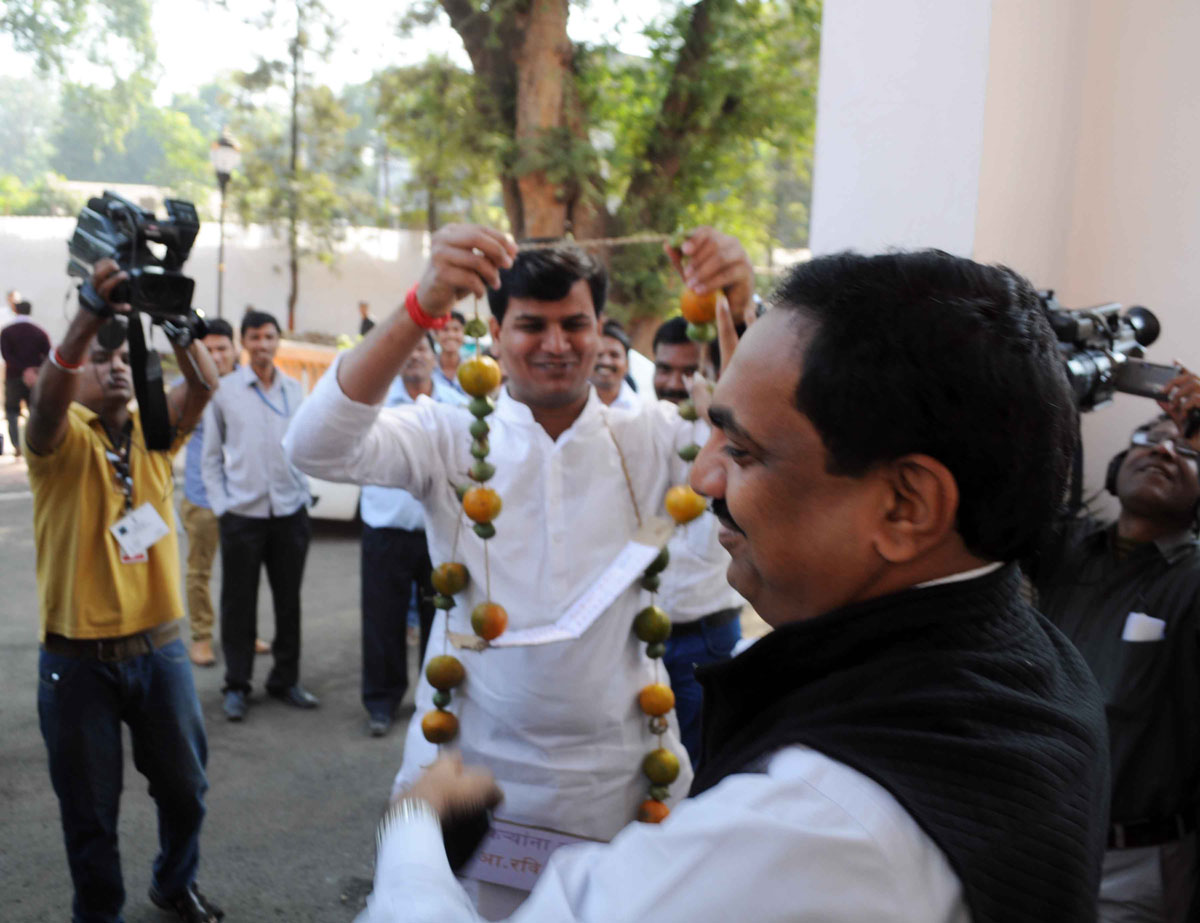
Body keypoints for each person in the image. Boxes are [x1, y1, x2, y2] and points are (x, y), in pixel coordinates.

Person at [354, 249, 1112, 923]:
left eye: (744, 451)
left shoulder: (806, 826)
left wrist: (416, 836)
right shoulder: (1036, 659)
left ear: (907, 503)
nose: (705, 477)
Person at [285, 223, 753, 916]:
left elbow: (754, 440)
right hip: (468, 774)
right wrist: (422, 303)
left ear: (600, 332)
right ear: (495, 333)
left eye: (576, 323)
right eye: (532, 324)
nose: (557, 344)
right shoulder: (445, 435)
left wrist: (739, 308)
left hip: (617, 779)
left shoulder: (653, 434)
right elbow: (314, 445)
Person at [25, 259, 223, 923]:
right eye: (97, 358)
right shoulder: (55, 443)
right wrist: (87, 315)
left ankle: (174, 881)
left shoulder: (154, 435)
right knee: (90, 814)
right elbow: (47, 404)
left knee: (186, 790)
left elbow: (203, 383)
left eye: (120, 356)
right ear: (74, 373)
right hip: (76, 660)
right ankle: (99, 913)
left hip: (159, 649)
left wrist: (175, 320)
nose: (112, 366)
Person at [1028, 403, 1200, 923]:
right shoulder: (1068, 548)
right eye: (1148, 436)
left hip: (1137, 866)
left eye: (1187, 448)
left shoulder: (1193, 579)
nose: (1163, 449)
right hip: (1038, 842)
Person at [201, 310, 315, 721]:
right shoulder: (225, 391)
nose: (263, 345)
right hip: (243, 516)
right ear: (243, 343)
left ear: (277, 341)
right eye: (254, 337)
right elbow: (210, 457)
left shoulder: (295, 390)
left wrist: (306, 495)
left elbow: (305, 448)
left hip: (289, 512)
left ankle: (286, 680)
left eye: (269, 337)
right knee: (238, 603)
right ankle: (237, 684)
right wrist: (223, 507)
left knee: (289, 603)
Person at [360, 332, 466, 737]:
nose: (415, 356)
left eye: (422, 348)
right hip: (385, 525)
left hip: (438, 532)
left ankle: (435, 699)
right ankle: (381, 702)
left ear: (435, 357)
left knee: (439, 618)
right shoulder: (379, 405)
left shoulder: (455, 406)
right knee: (381, 619)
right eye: (409, 348)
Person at [648, 314, 744, 767]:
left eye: (689, 372)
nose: (674, 383)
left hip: (705, 640)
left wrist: (718, 416)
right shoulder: (644, 428)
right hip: (641, 640)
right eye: (664, 369)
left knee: (699, 763)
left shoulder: (741, 440)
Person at [179, 318, 242, 667]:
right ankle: (201, 637)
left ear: (235, 350)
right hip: (202, 497)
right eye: (209, 349)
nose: (216, 356)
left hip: (244, 500)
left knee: (242, 574)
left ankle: (242, 634)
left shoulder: (251, 387)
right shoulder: (189, 387)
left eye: (222, 348)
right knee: (199, 572)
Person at [2, 298, 50, 457]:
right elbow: (48, 354)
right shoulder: (39, 331)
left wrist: (22, 370)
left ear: (16, 311)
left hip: (14, 377)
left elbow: (6, 355)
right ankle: (35, 443)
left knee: (12, 412)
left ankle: (17, 445)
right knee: (35, 411)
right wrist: (33, 370)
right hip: (34, 379)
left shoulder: (7, 332)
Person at [590, 319, 638, 409]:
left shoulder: (639, 411)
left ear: (627, 364)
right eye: (599, 354)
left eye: (614, 355)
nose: (605, 361)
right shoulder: (566, 403)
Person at [433, 310, 467, 394]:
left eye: (456, 330)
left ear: (463, 333)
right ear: (436, 334)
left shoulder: (473, 368)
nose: (451, 335)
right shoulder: (428, 369)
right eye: (445, 329)